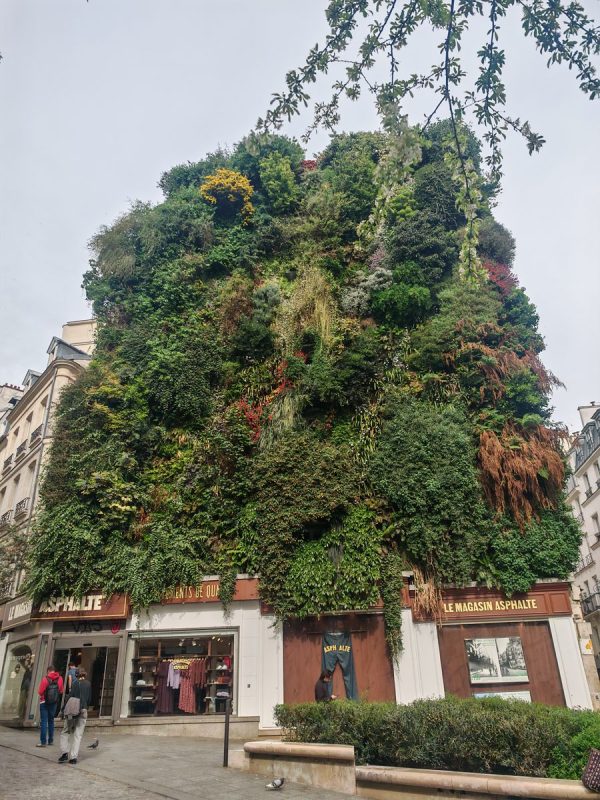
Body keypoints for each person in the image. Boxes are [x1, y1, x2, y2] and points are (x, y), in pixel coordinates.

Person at [59, 667, 91, 764]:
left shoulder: (74, 684)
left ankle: (64, 753)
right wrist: (85, 707)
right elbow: (89, 699)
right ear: (84, 674)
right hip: (83, 710)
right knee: (78, 734)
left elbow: (69, 697)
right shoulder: (88, 684)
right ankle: (73, 757)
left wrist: (63, 710)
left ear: (76, 675)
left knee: (66, 731)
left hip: (72, 712)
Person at [36, 665, 64, 747]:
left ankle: (43, 742)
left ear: (48, 671)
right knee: (51, 721)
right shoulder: (60, 678)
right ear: (54, 671)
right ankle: (51, 740)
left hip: (44, 702)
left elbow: (40, 692)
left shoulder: (45, 679)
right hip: (54, 703)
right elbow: (61, 691)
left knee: (44, 721)